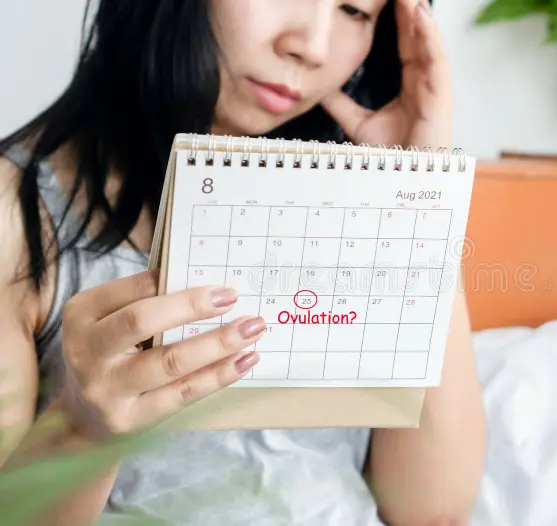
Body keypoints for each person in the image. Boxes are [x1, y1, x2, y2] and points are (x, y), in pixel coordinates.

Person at [0, 0, 487, 524]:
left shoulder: (349, 196)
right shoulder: (16, 213)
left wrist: (421, 201)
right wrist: (82, 427)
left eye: (354, 11)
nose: (312, 46)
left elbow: (431, 511)